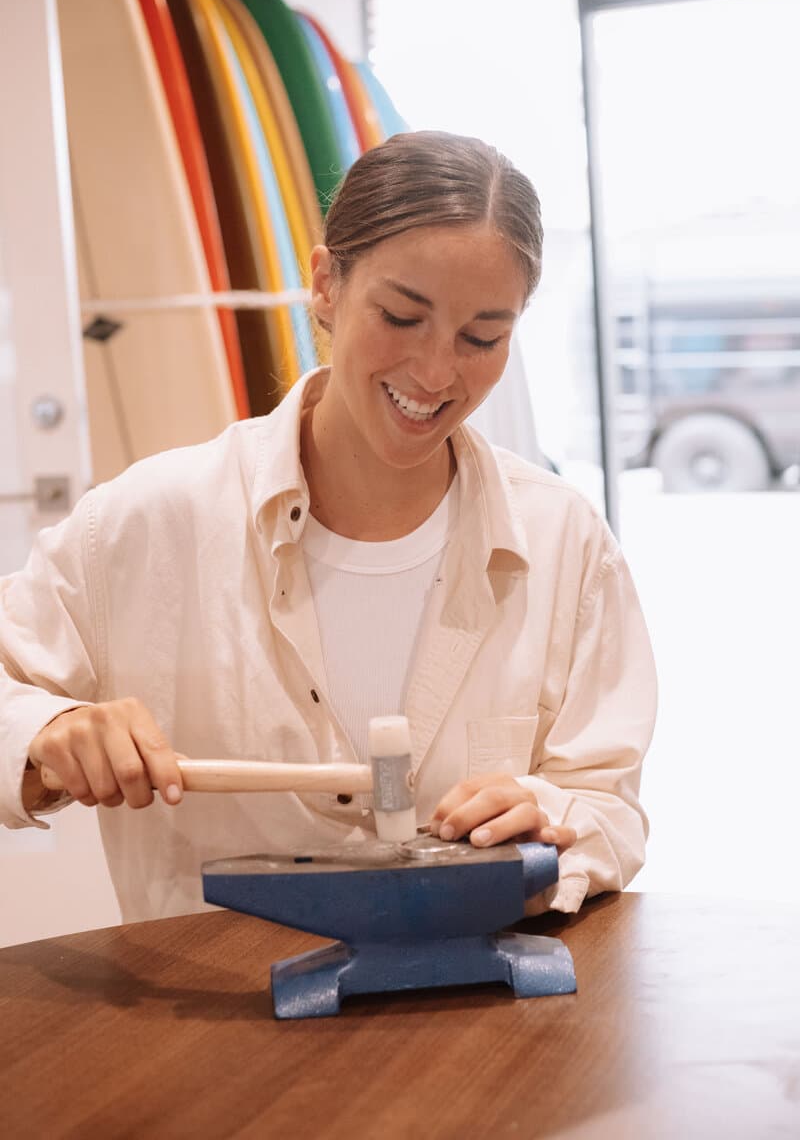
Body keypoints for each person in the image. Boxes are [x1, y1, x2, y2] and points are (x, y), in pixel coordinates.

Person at [0, 131, 656, 923]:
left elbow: (609, 807)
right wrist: (49, 733)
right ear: (325, 286)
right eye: (402, 316)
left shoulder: (562, 542)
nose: (436, 372)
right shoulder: (150, 524)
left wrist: (553, 823)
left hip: (477, 998)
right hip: (211, 1000)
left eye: (482, 338)